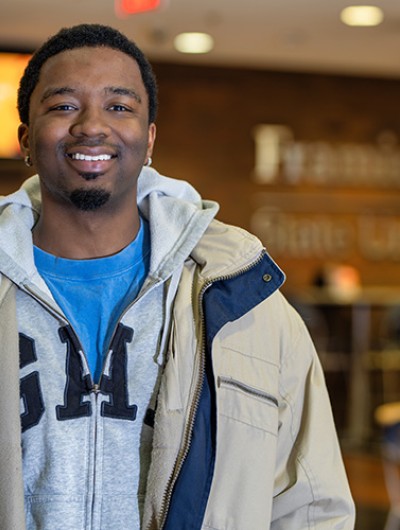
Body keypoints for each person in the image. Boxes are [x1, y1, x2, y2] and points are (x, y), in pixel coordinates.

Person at [0, 23, 355, 530]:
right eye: (63, 106)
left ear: (149, 140)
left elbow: (311, 508)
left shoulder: (245, 310)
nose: (92, 126)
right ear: (26, 140)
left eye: (119, 106)